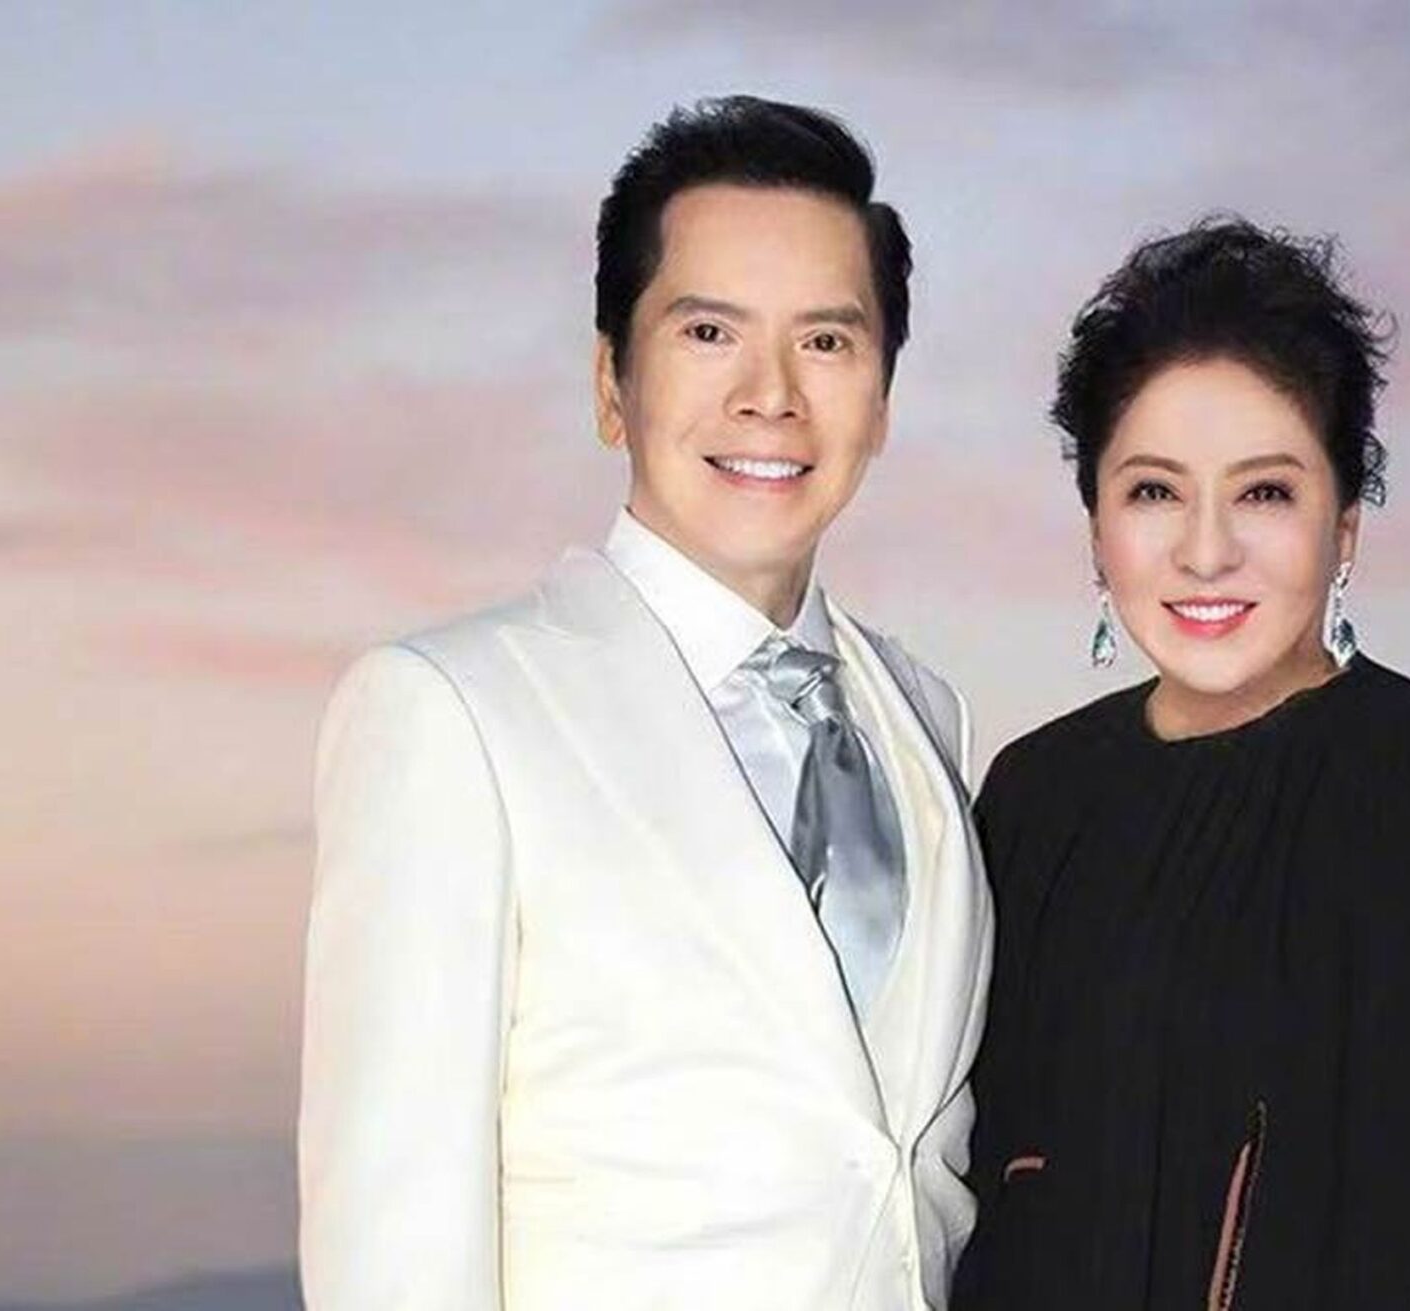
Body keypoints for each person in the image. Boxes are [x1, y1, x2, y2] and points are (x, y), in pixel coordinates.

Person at [299, 96, 992, 1311]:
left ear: (882, 399)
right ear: (610, 383)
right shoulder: (452, 716)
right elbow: (394, 1245)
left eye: (826, 342)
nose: (771, 394)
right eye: (709, 332)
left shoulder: (923, 719)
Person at [954, 219, 1410, 1310]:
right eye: (1153, 491)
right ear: (1094, 528)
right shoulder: (1034, 803)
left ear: (1345, 526)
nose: (1206, 550)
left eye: (1264, 492)